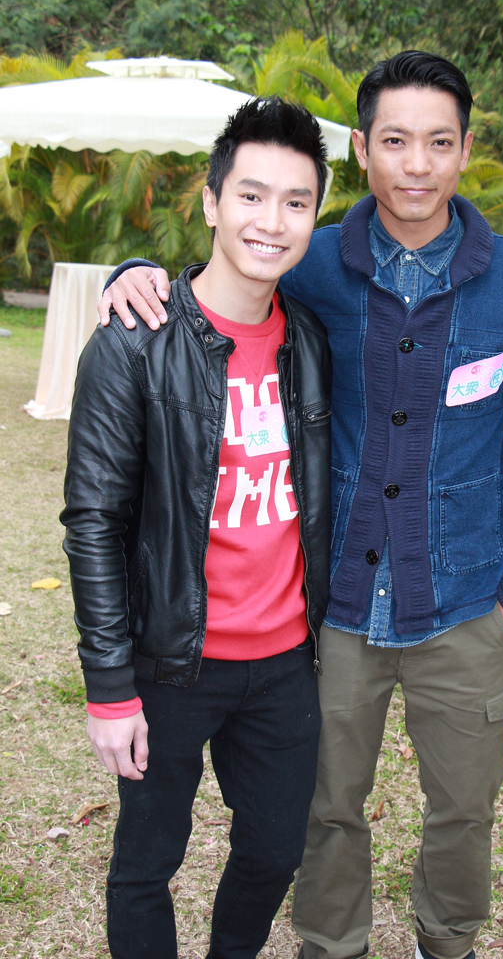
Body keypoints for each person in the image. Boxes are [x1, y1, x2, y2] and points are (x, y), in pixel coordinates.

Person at [100, 51, 503, 959]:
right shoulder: (311, 260)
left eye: (438, 142)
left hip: (466, 602)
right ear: (361, 148)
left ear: (465, 148)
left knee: (464, 806)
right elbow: (219, 282)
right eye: (394, 141)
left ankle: (448, 940)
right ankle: (331, 944)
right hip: (336, 611)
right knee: (325, 809)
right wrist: (132, 270)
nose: (416, 165)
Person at [61, 96, 332, 959]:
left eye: (295, 202)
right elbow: (93, 521)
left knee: (275, 851)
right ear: (211, 203)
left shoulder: (310, 341)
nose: (271, 221)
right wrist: (110, 688)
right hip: (171, 661)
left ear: (314, 217)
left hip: (285, 662)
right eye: (250, 196)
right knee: (146, 864)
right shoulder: (132, 342)